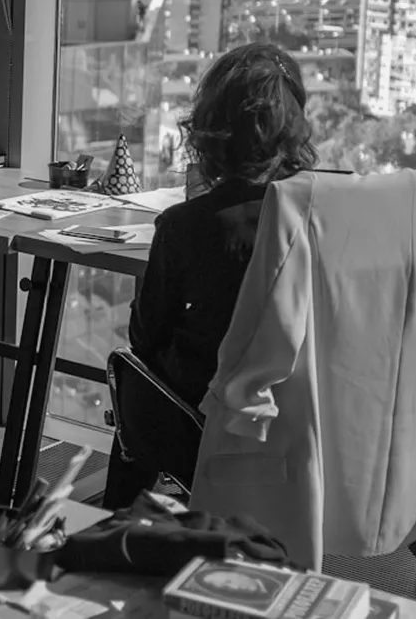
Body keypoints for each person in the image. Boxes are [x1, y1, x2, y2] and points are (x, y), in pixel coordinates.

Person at [102, 42, 317, 509]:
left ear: (210, 131)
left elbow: (145, 338)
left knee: (131, 367)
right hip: (310, 414)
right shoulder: (325, 213)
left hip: (213, 420)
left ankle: (114, 537)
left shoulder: (186, 227)